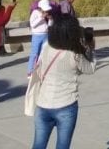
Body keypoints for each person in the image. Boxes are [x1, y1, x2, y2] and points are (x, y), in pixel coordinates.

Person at [31, 15, 96, 149]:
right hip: (66, 105)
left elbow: (39, 66)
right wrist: (91, 49)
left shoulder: (47, 47)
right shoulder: (75, 54)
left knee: (38, 144)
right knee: (63, 146)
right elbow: (90, 69)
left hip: (43, 104)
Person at [28, 0, 52, 76]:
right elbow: (32, 24)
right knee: (35, 53)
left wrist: (50, 19)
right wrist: (41, 17)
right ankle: (30, 71)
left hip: (45, 34)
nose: (46, 11)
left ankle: (41, 69)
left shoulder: (46, 14)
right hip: (37, 35)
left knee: (44, 53)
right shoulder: (35, 13)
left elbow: (48, 25)